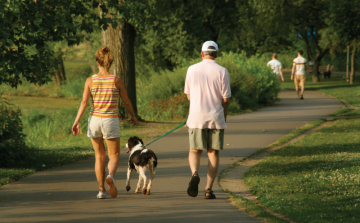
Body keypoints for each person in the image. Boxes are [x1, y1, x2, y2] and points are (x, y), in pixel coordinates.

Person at [72, 46, 137, 199]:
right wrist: (133, 116)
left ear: (97, 61)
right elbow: (126, 102)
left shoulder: (90, 80)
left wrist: (77, 121)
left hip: (94, 120)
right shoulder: (117, 81)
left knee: (99, 156)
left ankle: (101, 190)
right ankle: (111, 176)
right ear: (111, 62)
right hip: (110, 120)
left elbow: (83, 102)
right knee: (113, 155)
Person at [184, 41, 231, 199]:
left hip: (196, 117)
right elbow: (226, 99)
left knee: (194, 150)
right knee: (213, 152)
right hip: (215, 117)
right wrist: (224, 115)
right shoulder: (222, 71)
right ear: (217, 54)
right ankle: (208, 189)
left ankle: (195, 173)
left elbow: (189, 95)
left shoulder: (192, 69)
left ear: (202, 54)